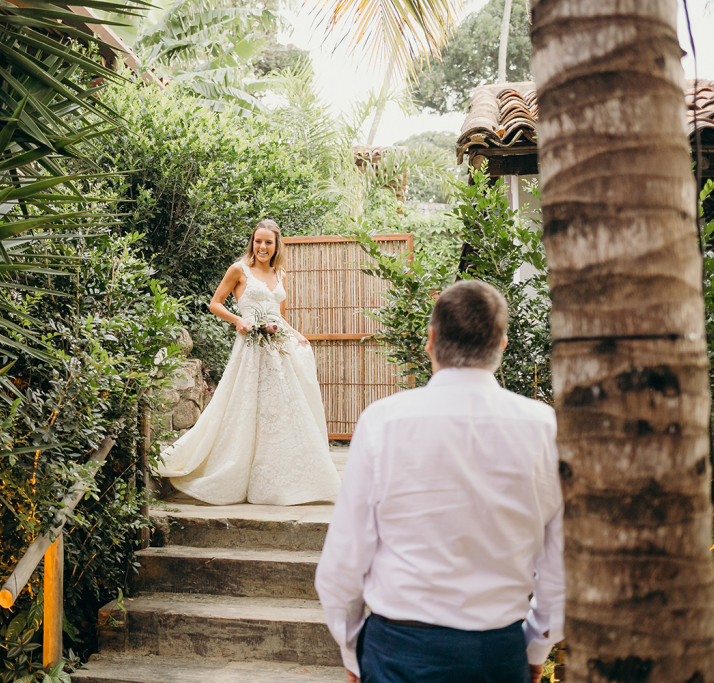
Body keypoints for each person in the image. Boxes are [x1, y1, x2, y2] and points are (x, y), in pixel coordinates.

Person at [315, 280, 564, 683]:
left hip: (396, 652)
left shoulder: (383, 422)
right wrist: (536, 646)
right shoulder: (543, 427)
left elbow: (344, 562)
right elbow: (561, 563)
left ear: (430, 340)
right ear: (501, 345)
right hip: (496, 655)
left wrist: (352, 650)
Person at [156, 219, 342, 505]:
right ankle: (230, 468)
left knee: (280, 412)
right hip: (251, 348)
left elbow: (277, 315)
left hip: (277, 350)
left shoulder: (279, 273)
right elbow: (215, 303)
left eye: (268, 242)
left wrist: (296, 334)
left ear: (276, 245)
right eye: (258, 241)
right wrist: (238, 320)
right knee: (244, 407)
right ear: (252, 242)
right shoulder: (239, 270)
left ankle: (281, 477)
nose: (263, 247)